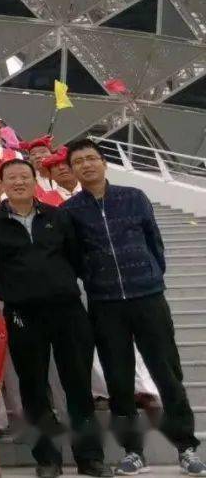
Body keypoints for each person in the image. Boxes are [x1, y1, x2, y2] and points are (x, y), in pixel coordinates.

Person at [63, 139, 204, 476]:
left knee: (167, 373)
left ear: (103, 162)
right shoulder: (71, 211)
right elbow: (74, 257)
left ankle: (186, 446)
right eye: (79, 161)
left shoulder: (133, 197)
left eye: (92, 158)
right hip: (105, 303)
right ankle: (132, 450)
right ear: (72, 170)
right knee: (118, 378)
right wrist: (96, 277)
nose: (87, 165)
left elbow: (154, 240)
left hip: (148, 297)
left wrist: (151, 275)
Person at [0, 159, 111, 478]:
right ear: (2, 183)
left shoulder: (58, 216)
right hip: (23, 315)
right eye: (12, 177)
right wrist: (18, 293)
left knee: (77, 384)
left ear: (36, 180)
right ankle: (47, 459)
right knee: (34, 387)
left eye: (25, 176)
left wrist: (56, 285)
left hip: (67, 311)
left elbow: (77, 259)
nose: (19, 182)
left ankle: (89, 457)